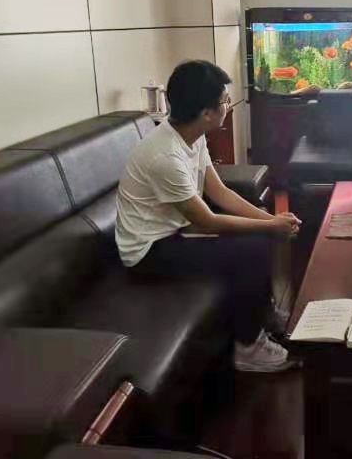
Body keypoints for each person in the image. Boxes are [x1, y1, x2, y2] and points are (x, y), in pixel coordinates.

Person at [115, 60, 301, 373]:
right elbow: (207, 221)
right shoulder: (164, 156)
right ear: (206, 113)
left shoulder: (192, 135)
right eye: (225, 101)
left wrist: (271, 220)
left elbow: (220, 193)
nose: (228, 106)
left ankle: (262, 319)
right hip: (148, 253)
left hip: (175, 231)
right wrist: (271, 225)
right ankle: (248, 348)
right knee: (252, 248)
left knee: (259, 234)